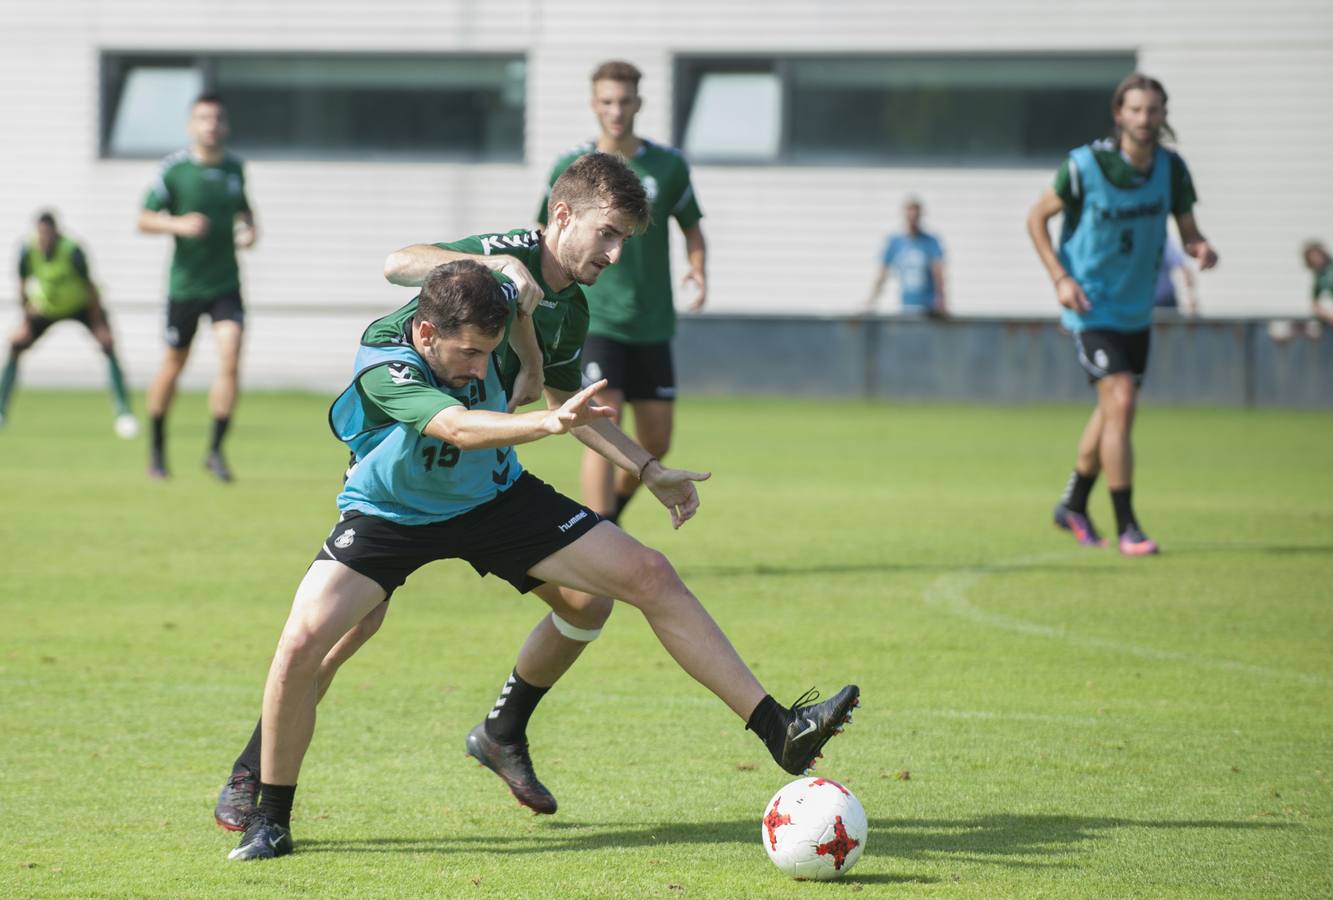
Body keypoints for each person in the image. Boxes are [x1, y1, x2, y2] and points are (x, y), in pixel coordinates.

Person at [224, 154, 858, 862]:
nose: (615, 256)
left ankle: (777, 727)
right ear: (562, 216)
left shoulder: (570, 309)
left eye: (625, 243)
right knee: (316, 643)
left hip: (492, 492)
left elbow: (568, 407)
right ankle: (267, 806)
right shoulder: (471, 286)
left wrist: (647, 469)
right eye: (608, 235)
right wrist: (502, 265)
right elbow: (401, 264)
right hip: (392, 508)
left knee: (637, 581)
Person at [1027, 73, 1219, 556]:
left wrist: (1200, 247)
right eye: (1135, 110)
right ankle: (1129, 525)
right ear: (1119, 114)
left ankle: (1072, 503)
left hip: (1138, 311)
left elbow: (1188, 228)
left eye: (1152, 110)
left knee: (1113, 410)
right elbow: (1035, 219)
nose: (1144, 119)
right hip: (1090, 308)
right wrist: (1059, 278)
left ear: (1163, 115)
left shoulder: (1171, 170)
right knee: (1122, 400)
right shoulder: (1083, 167)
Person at [536, 60, 707, 525]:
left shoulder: (667, 165)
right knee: (601, 423)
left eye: (625, 100)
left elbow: (692, 227)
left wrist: (698, 269)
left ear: (639, 103)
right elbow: (545, 228)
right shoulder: (572, 165)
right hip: (596, 317)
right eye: (607, 101)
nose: (616, 110)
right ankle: (600, 535)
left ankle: (610, 523)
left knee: (657, 440)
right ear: (594, 105)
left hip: (652, 320)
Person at [137, 93, 257, 482]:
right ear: (192, 125)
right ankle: (157, 449)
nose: (211, 125)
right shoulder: (175, 170)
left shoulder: (235, 168)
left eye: (217, 118)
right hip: (185, 287)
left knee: (230, 357)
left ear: (225, 126)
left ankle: (216, 451)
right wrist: (178, 224)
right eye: (203, 118)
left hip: (225, 284)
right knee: (174, 364)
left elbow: (245, 209)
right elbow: (143, 218)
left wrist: (251, 228)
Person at [0, 211, 137, 436]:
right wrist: (25, 320)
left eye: (47, 234)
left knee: (108, 345)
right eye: (40, 233)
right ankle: (1, 411)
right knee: (16, 344)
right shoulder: (27, 250)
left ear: (56, 232)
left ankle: (124, 413)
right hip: (47, 307)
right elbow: (23, 285)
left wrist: (98, 324)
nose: (44, 239)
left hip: (81, 306)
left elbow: (90, 287)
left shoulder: (72, 250)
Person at [865, 196, 948, 317]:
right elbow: (883, 274)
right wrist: (872, 301)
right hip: (906, 305)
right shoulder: (895, 242)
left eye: (916, 215)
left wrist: (941, 300)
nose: (912, 219)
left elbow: (938, 272)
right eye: (910, 214)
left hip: (928, 307)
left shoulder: (930, 241)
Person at [1301, 240, 1333, 330]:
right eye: (1312, 257)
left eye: (1317, 255)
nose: (1315, 259)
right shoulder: (1319, 276)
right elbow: (1315, 302)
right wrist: (1325, 314)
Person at [1152, 236, 1199, 316]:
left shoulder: (1163, 243)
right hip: (1141, 303)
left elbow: (1184, 269)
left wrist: (1190, 296)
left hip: (1165, 303)